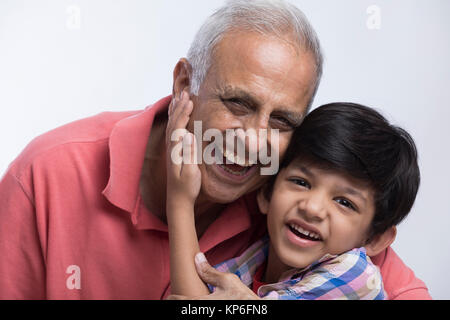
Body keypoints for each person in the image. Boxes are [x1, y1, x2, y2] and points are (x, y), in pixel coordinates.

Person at [0, 0, 431, 299]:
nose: (254, 140)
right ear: (185, 83)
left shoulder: (295, 203)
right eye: (238, 104)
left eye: (281, 121)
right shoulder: (49, 172)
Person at [166, 101, 419, 300]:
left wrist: (180, 201)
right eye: (301, 182)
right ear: (266, 193)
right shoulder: (258, 256)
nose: (312, 208)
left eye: (344, 202)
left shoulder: (355, 274)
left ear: (374, 239)